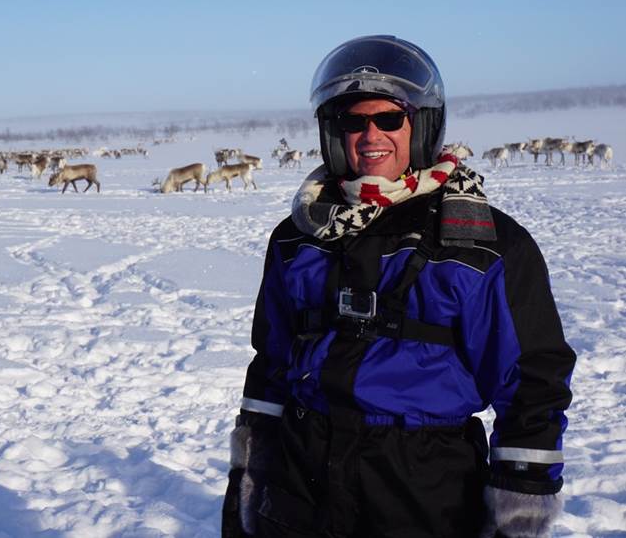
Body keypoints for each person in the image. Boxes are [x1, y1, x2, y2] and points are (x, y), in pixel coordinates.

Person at [222, 35, 576, 538]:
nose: (370, 136)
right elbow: (272, 363)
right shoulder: (298, 238)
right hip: (303, 475)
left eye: (389, 119)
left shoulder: (483, 246)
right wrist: (249, 474)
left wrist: (520, 506)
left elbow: (533, 384)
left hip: (424, 487)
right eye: (353, 121)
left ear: (423, 125)